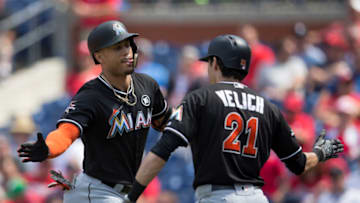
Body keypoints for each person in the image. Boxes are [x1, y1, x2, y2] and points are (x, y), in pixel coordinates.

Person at [124, 34, 344, 203]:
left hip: (218, 197)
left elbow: (161, 152)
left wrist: (131, 196)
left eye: (209, 62)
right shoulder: (268, 107)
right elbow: (299, 164)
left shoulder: (200, 98)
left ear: (216, 64)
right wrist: (321, 152)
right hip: (256, 197)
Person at [17, 20, 172, 203]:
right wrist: (50, 148)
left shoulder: (147, 85)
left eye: (128, 45)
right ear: (99, 57)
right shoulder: (91, 95)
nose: (126, 51)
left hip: (127, 192)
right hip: (98, 191)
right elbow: (67, 132)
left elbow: (164, 121)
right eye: (117, 48)